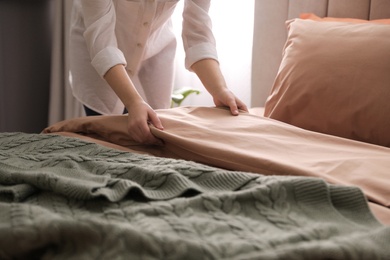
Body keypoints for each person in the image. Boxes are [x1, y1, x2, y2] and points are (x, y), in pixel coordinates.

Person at [69, 0, 248, 145]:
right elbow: (101, 40)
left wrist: (220, 89)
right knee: (106, 140)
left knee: (155, 136)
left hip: (154, 49)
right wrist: (133, 102)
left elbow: (198, 34)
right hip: (100, 56)